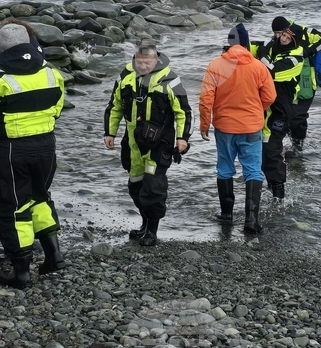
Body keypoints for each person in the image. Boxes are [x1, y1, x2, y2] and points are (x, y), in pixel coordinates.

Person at [0, 21, 66, 289]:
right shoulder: (50, 72)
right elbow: (57, 108)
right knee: (40, 198)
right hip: (46, 145)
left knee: (14, 207)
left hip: (10, 149)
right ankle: (54, 256)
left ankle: (21, 272)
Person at [103, 39, 192, 246]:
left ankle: (152, 231)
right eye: (139, 62)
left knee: (153, 188)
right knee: (135, 186)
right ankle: (144, 223)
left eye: (147, 63)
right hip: (133, 141)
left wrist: (182, 138)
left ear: (156, 59)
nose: (142, 67)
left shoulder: (171, 80)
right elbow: (114, 105)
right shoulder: (125, 76)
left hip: (160, 143)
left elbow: (184, 112)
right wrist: (110, 133)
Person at [199, 23, 276, 234]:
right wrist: (256, 111)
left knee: (224, 168)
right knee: (253, 170)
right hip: (251, 127)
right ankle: (251, 221)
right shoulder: (259, 67)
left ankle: (226, 215)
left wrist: (204, 124)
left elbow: (206, 99)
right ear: (247, 44)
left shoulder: (215, 66)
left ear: (229, 44)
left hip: (224, 127)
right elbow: (270, 97)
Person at [257, 21, 308, 201]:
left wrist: (262, 54)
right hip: (265, 108)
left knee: (271, 150)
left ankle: (279, 197)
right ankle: (271, 188)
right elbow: (254, 47)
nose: (283, 39)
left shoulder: (296, 60)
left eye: (288, 37)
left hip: (280, 111)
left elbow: (271, 71)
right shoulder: (274, 47)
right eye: (283, 35)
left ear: (295, 41)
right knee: (262, 151)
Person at [270, 16, 321, 154]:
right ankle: (289, 145)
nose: (279, 37)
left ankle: (298, 147)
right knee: (284, 114)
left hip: (306, 81)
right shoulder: (278, 41)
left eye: (281, 33)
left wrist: (309, 51)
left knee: (298, 117)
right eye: (276, 34)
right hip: (287, 82)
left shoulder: (304, 32)